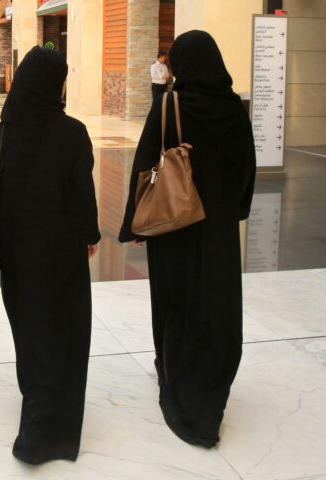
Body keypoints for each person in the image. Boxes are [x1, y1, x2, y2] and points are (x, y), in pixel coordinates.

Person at [119, 30, 256, 448]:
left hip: (173, 226)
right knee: (215, 300)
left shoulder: (169, 105)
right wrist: (236, 210)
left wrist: (133, 226)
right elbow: (247, 166)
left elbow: (144, 165)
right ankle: (211, 380)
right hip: (216, 231)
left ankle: (177, 372)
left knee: (177, 301)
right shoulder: (234, 110)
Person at [0, 46, 100, 465]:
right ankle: (50, 419)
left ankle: (35, 401)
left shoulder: (6, 129)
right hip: (62, 247)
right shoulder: (73, 132)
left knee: (28, 325)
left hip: (17, 246)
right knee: (61, 326)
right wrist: (91, 234)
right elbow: (83, 192)